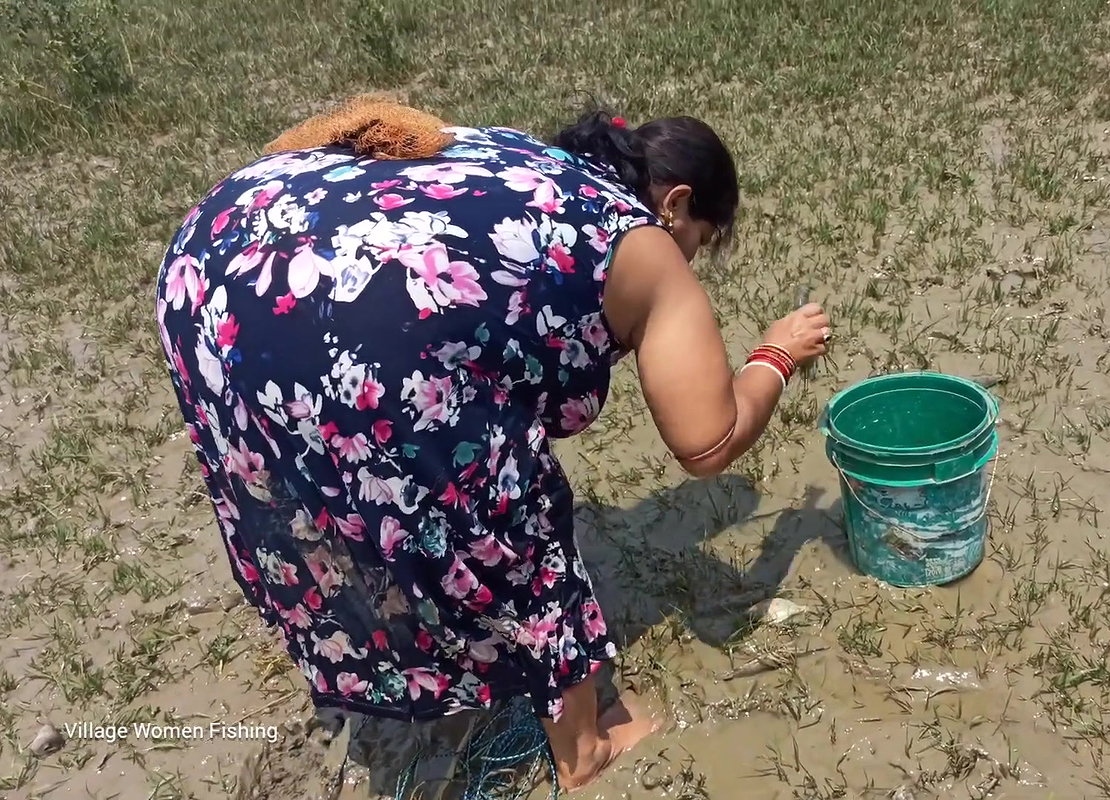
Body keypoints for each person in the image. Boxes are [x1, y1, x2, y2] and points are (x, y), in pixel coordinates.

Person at [153, 95, 830, 790]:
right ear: (676, 204)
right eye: (700, 241)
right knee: (518, 516)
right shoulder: (641, 241)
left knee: (319, 480)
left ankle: (414, 649)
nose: (689, 260)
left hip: (214, 255)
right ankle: (586, 750)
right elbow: (708, 441)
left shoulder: (527, 160)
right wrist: (774, 355)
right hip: (358, 324)